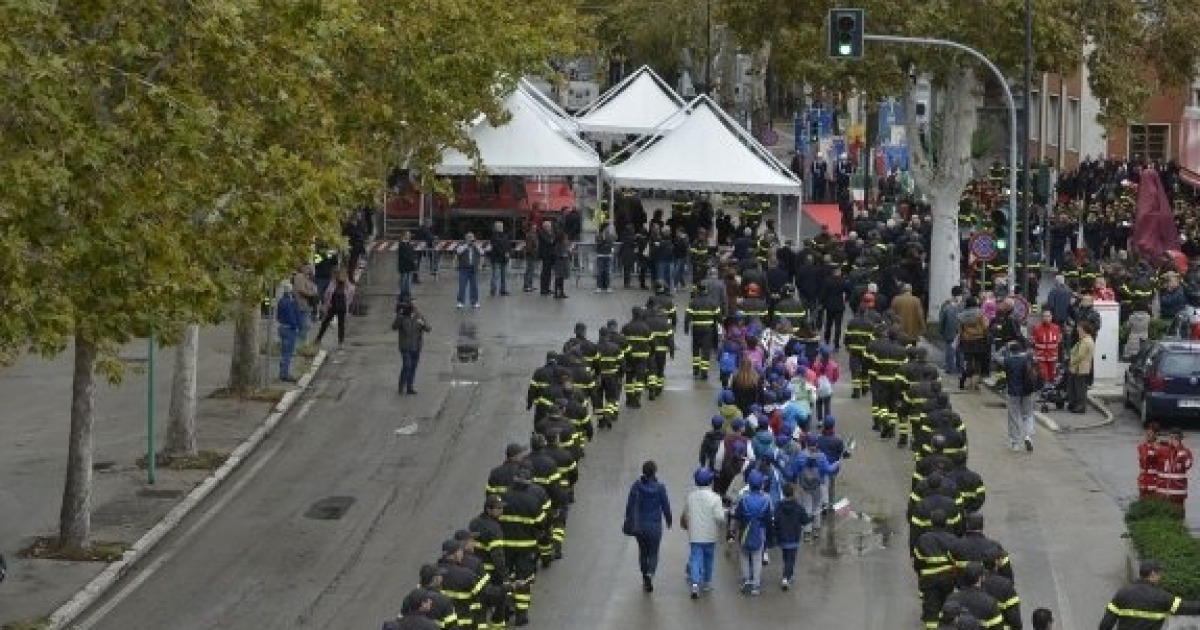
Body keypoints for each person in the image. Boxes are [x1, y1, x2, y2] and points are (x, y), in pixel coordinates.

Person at [1099, 559, 1200, 629]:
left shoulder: (1123, 592)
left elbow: (1106, 623)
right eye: (1159, 573)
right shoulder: (1162, 596)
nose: (1160, 577)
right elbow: (1188, 607)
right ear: (1152, 574)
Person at [623, 460, 672, 593]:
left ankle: (645, 577)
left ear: (643, 471)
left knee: (643, 552)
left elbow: (630, 505)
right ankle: (650, 574)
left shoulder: (636, 486)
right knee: (654, 553)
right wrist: (669, 520)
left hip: (639, 526)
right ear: (655, 472)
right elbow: (665, 506)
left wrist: (628, 520)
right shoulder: (660, 488)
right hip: (655, 526)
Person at [682, 467, 726, 598]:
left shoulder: (691, 497)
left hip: (695, 534)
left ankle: (695, 585)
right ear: (710, 481)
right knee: (709, 558)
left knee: (695, 558)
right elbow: (720, 517)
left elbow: (686, 513)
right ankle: (707, 582)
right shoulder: (716, 498)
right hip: (710, 535)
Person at [733, 470, 774, 596]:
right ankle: (756, 585)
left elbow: (737, 516)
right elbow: (769, 518)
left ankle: (746, 580)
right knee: (757, 558)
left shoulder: (743, 498)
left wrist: (733, 530)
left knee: (744, 556)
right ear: (761, 484)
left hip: (744, 531)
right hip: (760, 531)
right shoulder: (766, 499)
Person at [994, 338, 1037, 452]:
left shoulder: (1007, 360)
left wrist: (1005, 346)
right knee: (1028, 415)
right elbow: (1032, 354)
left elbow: (996, 356)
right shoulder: (1027, 358)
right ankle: (1028, 436)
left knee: (1013, 417)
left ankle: (1015, 443)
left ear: (1010, 351)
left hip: (1013, 392)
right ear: (1020, 350)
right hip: (1027, 391)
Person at [774, 482, 812, 591]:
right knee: (791, 559)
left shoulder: (778, 506)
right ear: (794, 493)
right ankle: (786, 578)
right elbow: (805, 521)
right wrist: (811, 518)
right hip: (794, 537)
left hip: (782, 537)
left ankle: (789, 575)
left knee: (786, 557)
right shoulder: (798, 507)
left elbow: (775, 519)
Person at [393, 297, 431, 395]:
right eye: (413, 304)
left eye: (416, 304)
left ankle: (409, 387)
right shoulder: (402, 316)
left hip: (416, 346)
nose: (415, 306)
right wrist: (399, 315)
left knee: (413, 367)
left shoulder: (419, 316)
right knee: (407, 365)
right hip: (405, 346)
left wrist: (423, 324)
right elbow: (394, 327)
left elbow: (428, 328)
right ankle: (401, 385)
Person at [1156, 430, 1193, 515]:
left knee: (1178, 516)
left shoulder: (1186, 451)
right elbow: (1152, 459)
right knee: (1162, 516)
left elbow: (1188, 465)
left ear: (1180, 439)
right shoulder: (1163, 450)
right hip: (1162, 492)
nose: (1173, 440)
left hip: (1178, 492)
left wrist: (1180, 451)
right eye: (1171, 437)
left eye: (1176, 438)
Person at [316, 269, 354, 347]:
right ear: (337, 276)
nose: (342, 277)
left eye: (343, 275)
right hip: (332, 306)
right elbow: (326, 294)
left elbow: (350, 298)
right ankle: (318, 339)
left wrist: (347, 305)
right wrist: (327, 304)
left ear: (346, 276)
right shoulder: (332, 284)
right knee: (325, 323)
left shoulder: (349, 286)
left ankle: (341, 343)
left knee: (341, 325)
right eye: (340, 275)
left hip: (342, 307)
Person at [275, 281, 303, 383]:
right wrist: (297, 326)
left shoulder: (281, 301)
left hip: (282, 327)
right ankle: (284, 374)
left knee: (284, 352)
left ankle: (283, 372)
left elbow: (278, 316)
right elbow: (292, 317)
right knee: (288, 353)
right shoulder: (290, 302)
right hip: (289, 329)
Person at [1066, 321, 1095, 413]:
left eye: (1079, 330)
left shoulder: (1086, 341)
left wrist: (1071, 362)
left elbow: (1080, 355)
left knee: (1080, 389)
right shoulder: (1084, 339)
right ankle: (1075, 404)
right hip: (1078, 368)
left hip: (1081, 368)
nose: (1078, 331)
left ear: (1084, 330)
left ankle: (1081, 407)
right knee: (1076, 387)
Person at [1030, 308, 1062, 384]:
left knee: (1053, 376)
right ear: (1042, 317)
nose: (1046, 318)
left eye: (1048, 316)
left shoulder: (1056, 328)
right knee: (1044, 375)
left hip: (1052, 356)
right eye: (1044, 316)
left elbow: (1059, 342)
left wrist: (1060, 356)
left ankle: (1052, 388)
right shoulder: (1036, 328)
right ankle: (1045, 387)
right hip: (1041, 357)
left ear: (1051, 317)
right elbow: (1032, 342)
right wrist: (1034, 355)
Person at [939, 287, 965, 375]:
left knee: (950, 351)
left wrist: (941, 331)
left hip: (949, 331)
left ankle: (950, 369)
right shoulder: (963, 306)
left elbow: (942, 320)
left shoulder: (946, 305)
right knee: (960, 351)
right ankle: (960, 368)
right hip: (960, 332)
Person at [455, 232, 483, 309]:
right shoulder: (462, 245)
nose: (471, 239)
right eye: (469, 237)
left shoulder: (476, 246)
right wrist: (466, 245)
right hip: (463, 268)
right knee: (462, 285)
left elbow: (482, 252)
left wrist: (476, 245)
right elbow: (458, 251)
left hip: (473, 268)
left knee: (474, 286)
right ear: (466, 238)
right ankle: (460, 302)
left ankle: (474, 302)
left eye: (472, 237)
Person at [291, 264, 319, 342]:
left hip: (307, 304)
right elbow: (301, 290)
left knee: (306, 324)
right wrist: (312, 294)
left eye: (310, 268)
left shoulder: (307, 278)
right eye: (307, 268)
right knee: (305, 325)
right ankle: (300, 342)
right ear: (302, 268)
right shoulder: (299, 276)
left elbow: (314, 288)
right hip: (301, 303)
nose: (309, 269)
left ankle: (302, 341)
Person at [1137, 423, 1163, 499]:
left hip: (1155, 482)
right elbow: (1145, 458)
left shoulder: (1161, 448)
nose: (1148, 435)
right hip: (1143, 482)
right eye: (1147, 432)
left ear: (1156, 434)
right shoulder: (1142, 446)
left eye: (1150, 433)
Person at [487, 222, 511, 297]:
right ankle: (493, 290)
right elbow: (496, 247)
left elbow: (507, 245)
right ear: (496, 227)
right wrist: (504, 253)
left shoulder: (505, 235)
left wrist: (508, 252)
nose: (501, 227)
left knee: (504, 275)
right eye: (499, 226)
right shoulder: (494, 237)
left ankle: (502, 290)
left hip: (504, 258)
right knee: (495, 275)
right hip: (496, 258)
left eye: (501, 226)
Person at [396, 230, 418, 299]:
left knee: (408, 280)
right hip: (404, 265)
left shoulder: (409, 244)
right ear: (403, 236)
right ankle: (403, 294)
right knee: (404, 279)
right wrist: (412, 260)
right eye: (407, 234)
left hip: (409, 265)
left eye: (409, 234)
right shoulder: (402, 244)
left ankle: (408, 293)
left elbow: (412, 253)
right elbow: (404, 255)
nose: (409, 236)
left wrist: (414, 259)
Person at [594, 222, 615, 293]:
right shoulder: (598, 234)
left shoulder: (610, 235)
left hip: (608, 255)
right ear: (604, 228)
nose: (609, 229)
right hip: (600, 255)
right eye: (608, 227)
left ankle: (607, 286)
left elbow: (613, 240)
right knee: (600, 272)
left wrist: (610, 235)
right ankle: (599, 287)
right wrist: (602, 237)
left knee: (607, 272)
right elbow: (598, 242)